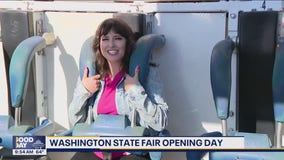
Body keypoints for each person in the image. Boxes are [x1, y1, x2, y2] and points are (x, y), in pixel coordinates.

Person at [69, 18, 168, 160]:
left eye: (117, 38)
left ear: (127, 43)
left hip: (130, 152)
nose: (111, 44)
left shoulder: (145, 74)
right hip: (96, 151)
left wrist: (135, 91)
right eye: (105, 39)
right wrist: (84, 91)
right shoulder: (91, 75)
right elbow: (75, 122)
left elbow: (160, 122)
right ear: (99, 44)